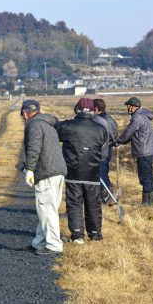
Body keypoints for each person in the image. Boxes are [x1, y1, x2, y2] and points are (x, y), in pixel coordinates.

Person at [16, 100, 67, 255]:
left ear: (25, 113)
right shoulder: (47, 123)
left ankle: (54, 245)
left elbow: (34, 148)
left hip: (46, 172)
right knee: (44, 209)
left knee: (47, 209)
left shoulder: (34, 125)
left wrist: (30, 169)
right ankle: (39, 242)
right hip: (57, 171)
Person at [56, 98, 107, 244]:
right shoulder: (100, 129)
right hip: (92, 172)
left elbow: (56, 132)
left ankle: (77, 235)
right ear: (92, 111)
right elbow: (103, 146)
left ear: (76, 109)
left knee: (74, 203)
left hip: (73, 171)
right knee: (93, 203)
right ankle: (95, 233)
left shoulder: (67, 126)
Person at [117, 97, 153, 207]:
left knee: (145, 178)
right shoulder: (144, 115)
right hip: (150, 151)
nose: (127, 108)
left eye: (128, 106)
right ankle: (149, 203)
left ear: (133, 107)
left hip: (144, 152)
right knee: (149, 177)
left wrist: (118, 141)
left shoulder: (137, 117)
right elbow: (133, 133)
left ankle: (147, 205)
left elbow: (129, 132)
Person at [93, 99, 119, 205]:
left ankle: (106, 196)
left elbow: (111, 136)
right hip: (107, 149)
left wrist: (106, 144)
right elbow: (114, 135)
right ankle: (105, 194)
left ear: (96, 108)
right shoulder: (109, 118)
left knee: (101, 172)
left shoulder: (100, 120)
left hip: (103, 150)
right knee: (103, 172)